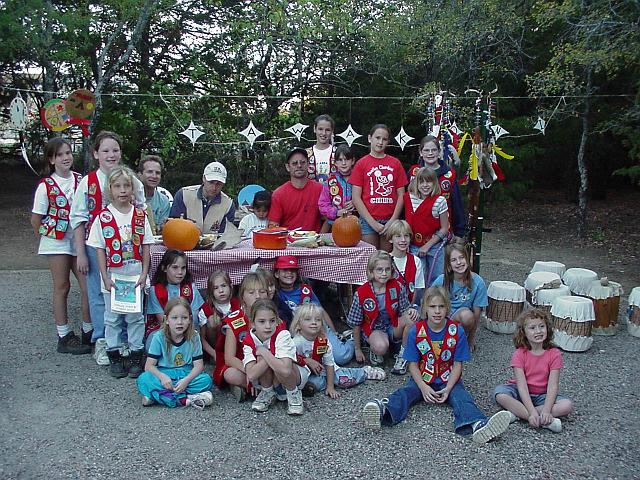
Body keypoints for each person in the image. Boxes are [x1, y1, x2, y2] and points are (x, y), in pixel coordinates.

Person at [362, 286, 511, 444]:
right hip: (423, 377)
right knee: (406, 392)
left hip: (449, 379)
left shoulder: (456, 330)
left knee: (462, 398)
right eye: (433, 307)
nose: (437, 311)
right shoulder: (416, 331)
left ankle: (478, 423)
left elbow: (458, 364)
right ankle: (384, 409)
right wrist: (423, 387)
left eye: (441, 306)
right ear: (425, 308)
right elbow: (412, 364)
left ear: (447, 307)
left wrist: (448, 388)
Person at [70, 131, 146, 366]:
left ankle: (126, 341)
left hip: (128, 249)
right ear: (96, 154)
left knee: (129, 293)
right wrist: (81, 252)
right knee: (100, 294)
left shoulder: (131, 180)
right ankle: (103, 339)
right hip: (98, 247)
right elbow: (78, 218)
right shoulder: (88, 182)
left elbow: (142, 211)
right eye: (105, 150)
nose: (111, 155)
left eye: (115, 150)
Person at [87, 166, 154, 379]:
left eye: (127, 185)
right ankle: (115, 354)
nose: (122, 190)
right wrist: (105, 277)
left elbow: (146, 246)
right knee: (113, 317)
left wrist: (144, 274)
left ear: (133, 188)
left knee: (135, 316)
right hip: (113, 275)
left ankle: (135, 354)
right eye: (117, 186)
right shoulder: (103, 217)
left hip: (134, 273)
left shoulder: (140, 216)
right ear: (110, 189)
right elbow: (99, 248)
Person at [30, 137, 92, 354]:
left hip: (79, 241)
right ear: (52, 159)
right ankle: (64, 334)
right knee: (62, 286)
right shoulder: (45, 186)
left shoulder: (80, 180)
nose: (66, 157)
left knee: (87, 286)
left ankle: (88, 329)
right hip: (56, 242)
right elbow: (36, 219)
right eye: (60, 155)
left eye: (68, 153)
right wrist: (52, 231)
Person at [493, 309, 574, 433]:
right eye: (532, 328)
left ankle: (517, 414)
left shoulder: (554, 354)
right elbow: (522, 386)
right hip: (520, 392)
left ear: (548, 328)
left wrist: (547, 410)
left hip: (542, 394)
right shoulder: (519, 354)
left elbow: (553, 386)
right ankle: (541, 420)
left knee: (566, 405)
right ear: (524, 332)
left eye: (542, 326)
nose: (538, 331)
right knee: (500, 394)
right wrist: (531, 412)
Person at [291, 304, 386, 399]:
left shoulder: (323, 341)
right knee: (313, 384)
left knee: (344, 380)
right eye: (308, 319)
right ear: (298, 324)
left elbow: (329, 363)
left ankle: (364, 372)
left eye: (318, 319)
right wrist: (307, 360)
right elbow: (289, 358)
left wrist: (330, 387)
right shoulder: (296, 342)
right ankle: (324, 382)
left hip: (326, 370)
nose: (314, 322)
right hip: (308, 372)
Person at [273, 255, 354, 365]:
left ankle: (352, 340)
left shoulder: (305, 290)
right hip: (295, 332)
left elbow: (321, 312)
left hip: (316, 327)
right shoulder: (275, 294)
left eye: (293, 270)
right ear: (277, 274)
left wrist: (334, 332)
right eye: (285, 270)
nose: (289, 273)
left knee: (341, 357)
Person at [136, 297, 214, 409]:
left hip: (185, 373)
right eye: (174, 318)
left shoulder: (194, 336)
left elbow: (198, 366)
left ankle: (159, 396)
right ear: (166, 319)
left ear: (190, 319)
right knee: (144, 379)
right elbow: (149, 366)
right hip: (165, 373)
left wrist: (186, 381)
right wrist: (162, 377)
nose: (179, 322)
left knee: (206, 380)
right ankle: (187, 399)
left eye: (184, 318)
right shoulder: (159, 337)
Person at [346, 250, 415, 375]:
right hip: (374, 328)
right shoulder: (361, 293)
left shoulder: (397, 286)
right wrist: (357, 349)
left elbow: (405, 310)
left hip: (392, 324)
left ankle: (403, 355)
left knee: (411, 318)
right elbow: (356, 323)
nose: (384, 273)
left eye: (387, 269)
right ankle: (374, 347)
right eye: (379, 270)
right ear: (371, 272)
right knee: (381, 347)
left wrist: (412, 311)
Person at [243, 299, 309, 415]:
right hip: (271, 378)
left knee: (277, 361)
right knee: (261, 359)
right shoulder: (249, 340)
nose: (268, 326)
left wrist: (265, 352)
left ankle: (293, 394)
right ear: (253, 323)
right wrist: (265, 357)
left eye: (272, 321)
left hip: (294, 377)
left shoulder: (282, 335)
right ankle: (268, 392)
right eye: (262, 322)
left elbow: (285, 370)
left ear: (277, 321)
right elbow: (251, 375)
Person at [350, 124, 408, 250]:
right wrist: (372, 222)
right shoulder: (361, 164)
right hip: (368, 221)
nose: (380, 142)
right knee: (371, 260)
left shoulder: (395, 163)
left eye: (384, 139)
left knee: (387, 259)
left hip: (390, 220)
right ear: (370, 138)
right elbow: (356, 197)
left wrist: (393, 220)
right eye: (377, 138)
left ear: (388, 141)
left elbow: (401, 195)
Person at [213, 272, 268, 401]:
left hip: (267, 364)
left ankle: (256, 388)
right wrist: (250, 372)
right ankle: (254, 386)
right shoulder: (235, 320)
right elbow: (229, 358)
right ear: (242, 296)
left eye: (262, 292)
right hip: (241, 365)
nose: (258, 296)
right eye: (251, 292)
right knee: (230, 374)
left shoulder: (274, 318)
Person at [431, 242, 487, 350]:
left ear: (467, 259)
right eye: (453, 260)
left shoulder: (478, 282)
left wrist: (471, 339)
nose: (459, 262)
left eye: (461, 258)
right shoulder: (441, 280)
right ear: (448, 265)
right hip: (441, 317)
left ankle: (461, 338)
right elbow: (428, 303)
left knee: (467, 316)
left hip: (461, 319)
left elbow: (477, 314)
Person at [408, 135, 466, 237]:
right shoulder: (413, 172)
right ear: (421, 152)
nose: (430, 153)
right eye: (426, 150)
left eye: (434, 150)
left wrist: (460, 232)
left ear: (439, 152)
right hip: (416, 231)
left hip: (442, 231)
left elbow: (456, 203)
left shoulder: (449, 175)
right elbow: (405, 201)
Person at [404, 167, 450, 286]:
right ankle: (417, 304)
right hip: (414, 245)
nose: (425, 185)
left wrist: (427, 246)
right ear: (416, 183)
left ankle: (436, 303)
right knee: (418, 278)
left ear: (434, 183)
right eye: (421, 182)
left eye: (428, 181)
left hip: (434, 245)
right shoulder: (409, 198)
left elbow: (445, 228)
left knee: (437, 279)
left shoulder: (440, 201)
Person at [146, 249, 205, 342]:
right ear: (164, 268)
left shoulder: (190, 288)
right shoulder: (155, 291)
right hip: (164, 329)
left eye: (183, 268)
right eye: (175, 267)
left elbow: (194, 317)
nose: (180, 272)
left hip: (188, 329)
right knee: (152, 341)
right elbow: (162, 321)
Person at [169, 161, 235, 234]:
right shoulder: (183, 195)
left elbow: (225, 235)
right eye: (211, 182)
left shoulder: (228, 205)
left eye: (218, 184)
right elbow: (173, 226)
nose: (214, 187)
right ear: (204, 178)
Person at [268, 147, 323, 232]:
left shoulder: (320, 189)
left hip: (314, 242)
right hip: (288, 242)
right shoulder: (278, 194)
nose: (299, 165)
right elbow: (273, 226)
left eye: (302, 162)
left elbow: (328, 219)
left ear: (308, 164)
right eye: (294, 163)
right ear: (288, 167)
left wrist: (320, 237)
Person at [200, 269, 239, 362]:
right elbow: (201, 339)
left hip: (235, 344)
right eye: (216, 288)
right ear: (210, 291)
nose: (221, 290)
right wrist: (214, 354)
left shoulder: (238, 305)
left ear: (231, 287)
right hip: (215, 346)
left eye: (224, 286)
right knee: (212, 321)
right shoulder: (205, 309)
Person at [384, 219, 424, 308]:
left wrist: (410, 308)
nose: (403, 240)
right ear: (390, 239)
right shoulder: (385, 260)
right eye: (398, 236)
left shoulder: (416, 261)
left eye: (406, 236)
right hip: (388, 306)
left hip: (409, 305)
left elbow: (416, 288)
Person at [317, 144, 356, 228]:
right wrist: (336, 212)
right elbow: (322, 205)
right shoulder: (330, 182)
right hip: (335, 225)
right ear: (335, 162)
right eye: (340, 160)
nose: (344, 163)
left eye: (347, 159)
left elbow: (367, 197)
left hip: (357, 223)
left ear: (353, 161)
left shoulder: (359, 179)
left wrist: (356, 202)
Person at [138, 155, 172, 234]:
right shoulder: (131, 198)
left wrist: (163, 227)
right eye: (149, 172)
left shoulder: (164, 201)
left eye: (157, 173)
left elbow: (160, 232)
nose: (154, 176)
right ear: (140, 174)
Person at [306, 114, 336, 185]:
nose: (324, 133)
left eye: (327, 130)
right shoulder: (306, 153)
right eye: (320, 129)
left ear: (332, 131)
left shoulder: (337, 153)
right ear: (314, 129)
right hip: (312, 194)